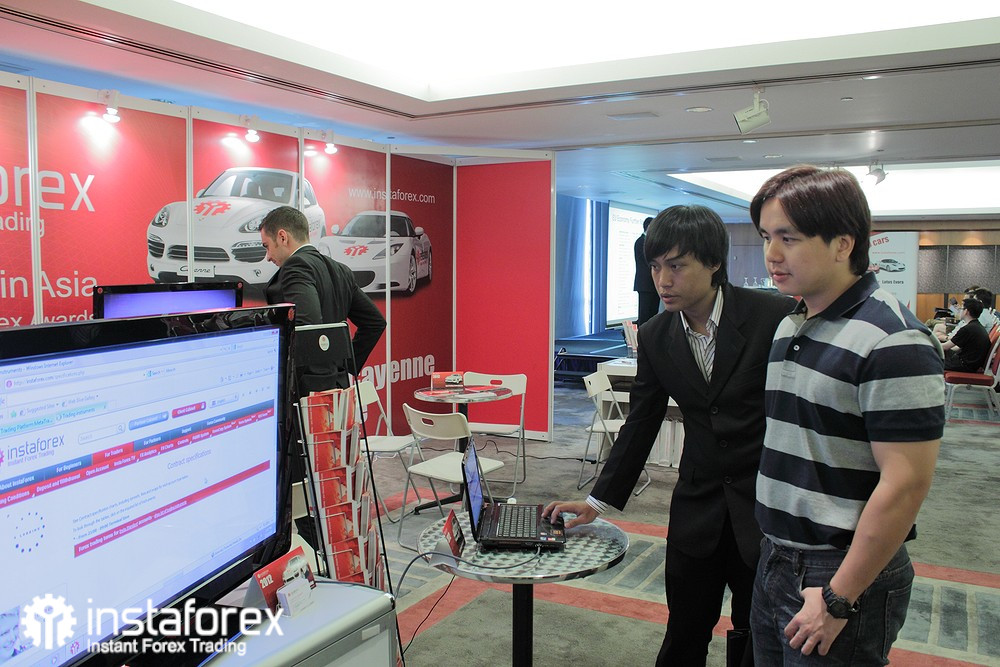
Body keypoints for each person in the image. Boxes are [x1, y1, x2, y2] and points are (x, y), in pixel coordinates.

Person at [545, 205, 795, 666]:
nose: (663, 280)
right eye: (655, 267)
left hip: (766, 512)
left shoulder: (774, 316)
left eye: (676, 266)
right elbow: (642, 420)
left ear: (713, 262)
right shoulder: (657, 334)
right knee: (683, 635)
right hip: (696, 511)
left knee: (760, 641)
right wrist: (598, 501)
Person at [750, 165, 944, 664]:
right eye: (767, 237)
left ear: (843, 243)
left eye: (789, 238)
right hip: (776, 558)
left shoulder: (894, 339)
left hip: (839, 572)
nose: (772, 254)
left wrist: (839, 597)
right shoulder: (792, 324)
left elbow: (906, 485)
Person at [261, 205, 386, 391]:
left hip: (308, 392)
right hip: (338, 386)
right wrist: (346, 364)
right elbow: (375, 322)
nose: (268, 256)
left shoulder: (296, 266)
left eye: (267, 246)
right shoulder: (340, 269)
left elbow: (307, 325)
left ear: (282, 237)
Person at [942, 298, 990, 372]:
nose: (959, 310)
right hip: (970, 363)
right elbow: (955, 347)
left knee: (931, 361)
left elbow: (945, 347)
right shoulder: (976, 326)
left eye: (961, 308)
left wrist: (929, 344)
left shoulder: (967, 329)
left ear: (966, 311)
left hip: (964, 365)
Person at [634, 216, 659, 325]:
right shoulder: (640, 242)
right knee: (644, 314)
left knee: (653, 313)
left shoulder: (651, 242)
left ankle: (652, 334)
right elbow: (647, 262)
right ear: (648, 227)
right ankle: (642, 334)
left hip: (654, 284)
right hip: (645, 284)